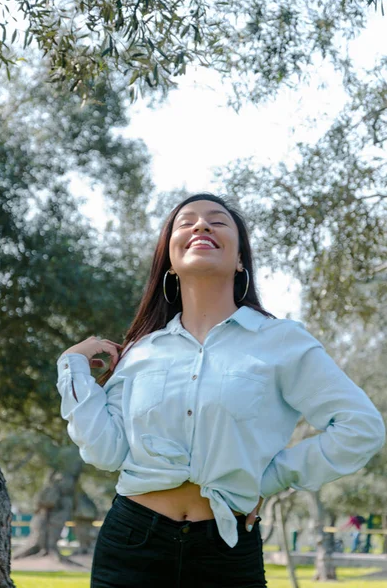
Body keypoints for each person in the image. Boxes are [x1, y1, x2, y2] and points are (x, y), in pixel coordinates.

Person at [56, 193, 385, 588]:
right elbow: (104, 452)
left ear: (241, 259)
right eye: (186, 222)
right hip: (131, 545)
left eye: (217, 220)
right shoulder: (142, 351)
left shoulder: (282, 342)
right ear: (170, 262)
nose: (201, 226)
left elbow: (360, 427)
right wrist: (73, 365)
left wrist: (269, 478)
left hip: (228, 552)